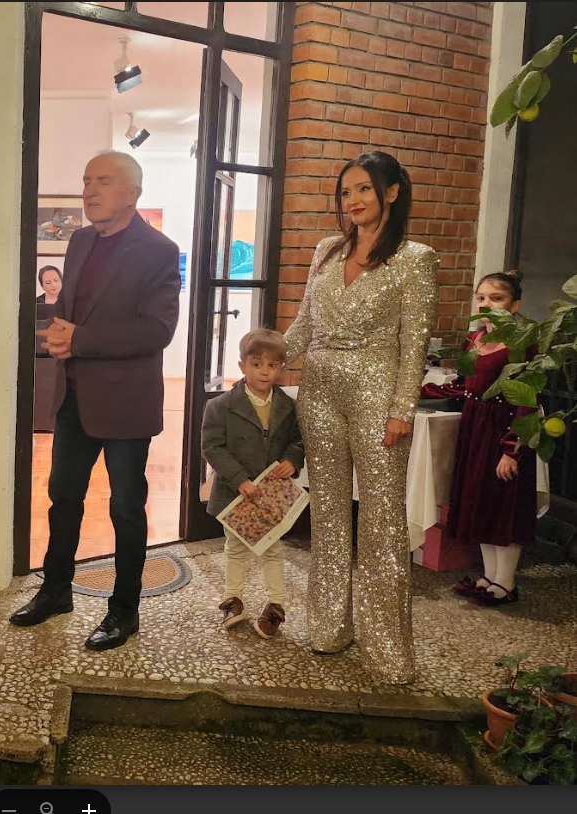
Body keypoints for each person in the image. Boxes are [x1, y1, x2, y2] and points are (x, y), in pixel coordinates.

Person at [10, 150, 181, 651]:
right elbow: (70, 308)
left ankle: (124, 609)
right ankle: (56, 590)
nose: (90, 190)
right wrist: (58, 333)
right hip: (74, 398)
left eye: (103, 181)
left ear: (133, 192)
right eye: (87, 180)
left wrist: (79, 340)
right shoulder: (80, 241)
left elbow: (158, 330)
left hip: (125, 405)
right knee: (63, 499)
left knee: (126, 509)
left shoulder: (159, 250)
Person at [284, 150, 438, 685]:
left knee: (382, 522)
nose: (353, 200)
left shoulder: (415, 259)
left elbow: (414, 343)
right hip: (318, 392)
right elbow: (305, 324)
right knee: (327, 514)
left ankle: (388, 649)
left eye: (364, 189)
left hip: (377, 398)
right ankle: (329, 628)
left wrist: (402, 409)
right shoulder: (327, 250)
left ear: (392, 192)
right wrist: (267, 357)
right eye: (346, 192)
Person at [202, 329, 305, 639]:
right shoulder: (220, 406)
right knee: (235, 549)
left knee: (273, 549)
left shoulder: (288, 406)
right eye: (257, 364)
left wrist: (292, 460)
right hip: (235, 495)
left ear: (281, 368)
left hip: (271, 496)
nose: (264, 371)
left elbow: (299, 440)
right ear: (242, 366)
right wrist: (239, 479)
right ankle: (232, 600)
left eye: (272, 365)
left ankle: (276, 606)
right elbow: (212, 447)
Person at [448, 270, 537, 606]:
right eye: (481, 297)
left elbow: (528, 400)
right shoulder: (474, 340)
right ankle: (489, 577)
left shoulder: (522, 343)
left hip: (503, 429)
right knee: (482, 502)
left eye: (496, 299)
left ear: (515, 306)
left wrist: (511, 449)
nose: (485, 304)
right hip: (476, 429)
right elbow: (464, 384)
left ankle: (506, 583)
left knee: (503, 504)